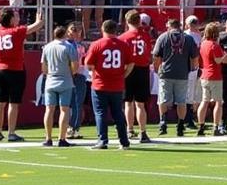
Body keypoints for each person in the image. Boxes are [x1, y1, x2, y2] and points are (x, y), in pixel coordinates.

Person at [0, 6, 43, 142]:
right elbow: (36, 26)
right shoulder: (16, 31)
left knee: (0, 102)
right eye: (15, 16)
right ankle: (11, 132)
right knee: (13, 103)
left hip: (0, 70)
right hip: (16, 70)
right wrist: (39, 18)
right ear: (11, 19)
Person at [84, 18, 134, 150]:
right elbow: (131, 63)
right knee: (118, 112)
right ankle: (124, 141)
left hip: (100, 84)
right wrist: (123, 75)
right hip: (117, 85)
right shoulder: (123, 45)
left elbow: (88, 64)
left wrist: (95, 71)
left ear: (102, 29)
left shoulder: (97, 44)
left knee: (100, 113)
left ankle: (103, 140)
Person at [152, 17, 198, 136]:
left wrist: (157, 69)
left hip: (166, 72)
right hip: (182, 73)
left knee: (163, 98)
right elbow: (194, 57)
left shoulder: (163, 37)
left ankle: (163, 121)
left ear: (169, 26)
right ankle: (181, 124)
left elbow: (156, 56)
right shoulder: (188, 38)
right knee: (181, 100)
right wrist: (193, 68)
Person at [40, 25, 78, 147]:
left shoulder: (47, 47)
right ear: (65, 34)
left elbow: (44, 67)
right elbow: (75, 66)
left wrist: (50, 73)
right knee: (64, 110)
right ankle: (62, 138)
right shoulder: (69, 47)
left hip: (51, 80)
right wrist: (70, 73)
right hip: (65, 80)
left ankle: (48, 138)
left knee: (49, 110)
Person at [120, 10, 154, 143]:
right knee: (140, 104)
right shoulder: (145, 36)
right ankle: (143, 132)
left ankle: (130, 129)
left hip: (129, 69)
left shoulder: (123, 37)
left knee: (128, 102)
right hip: (142, 69)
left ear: (127, 21)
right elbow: (148, 53)